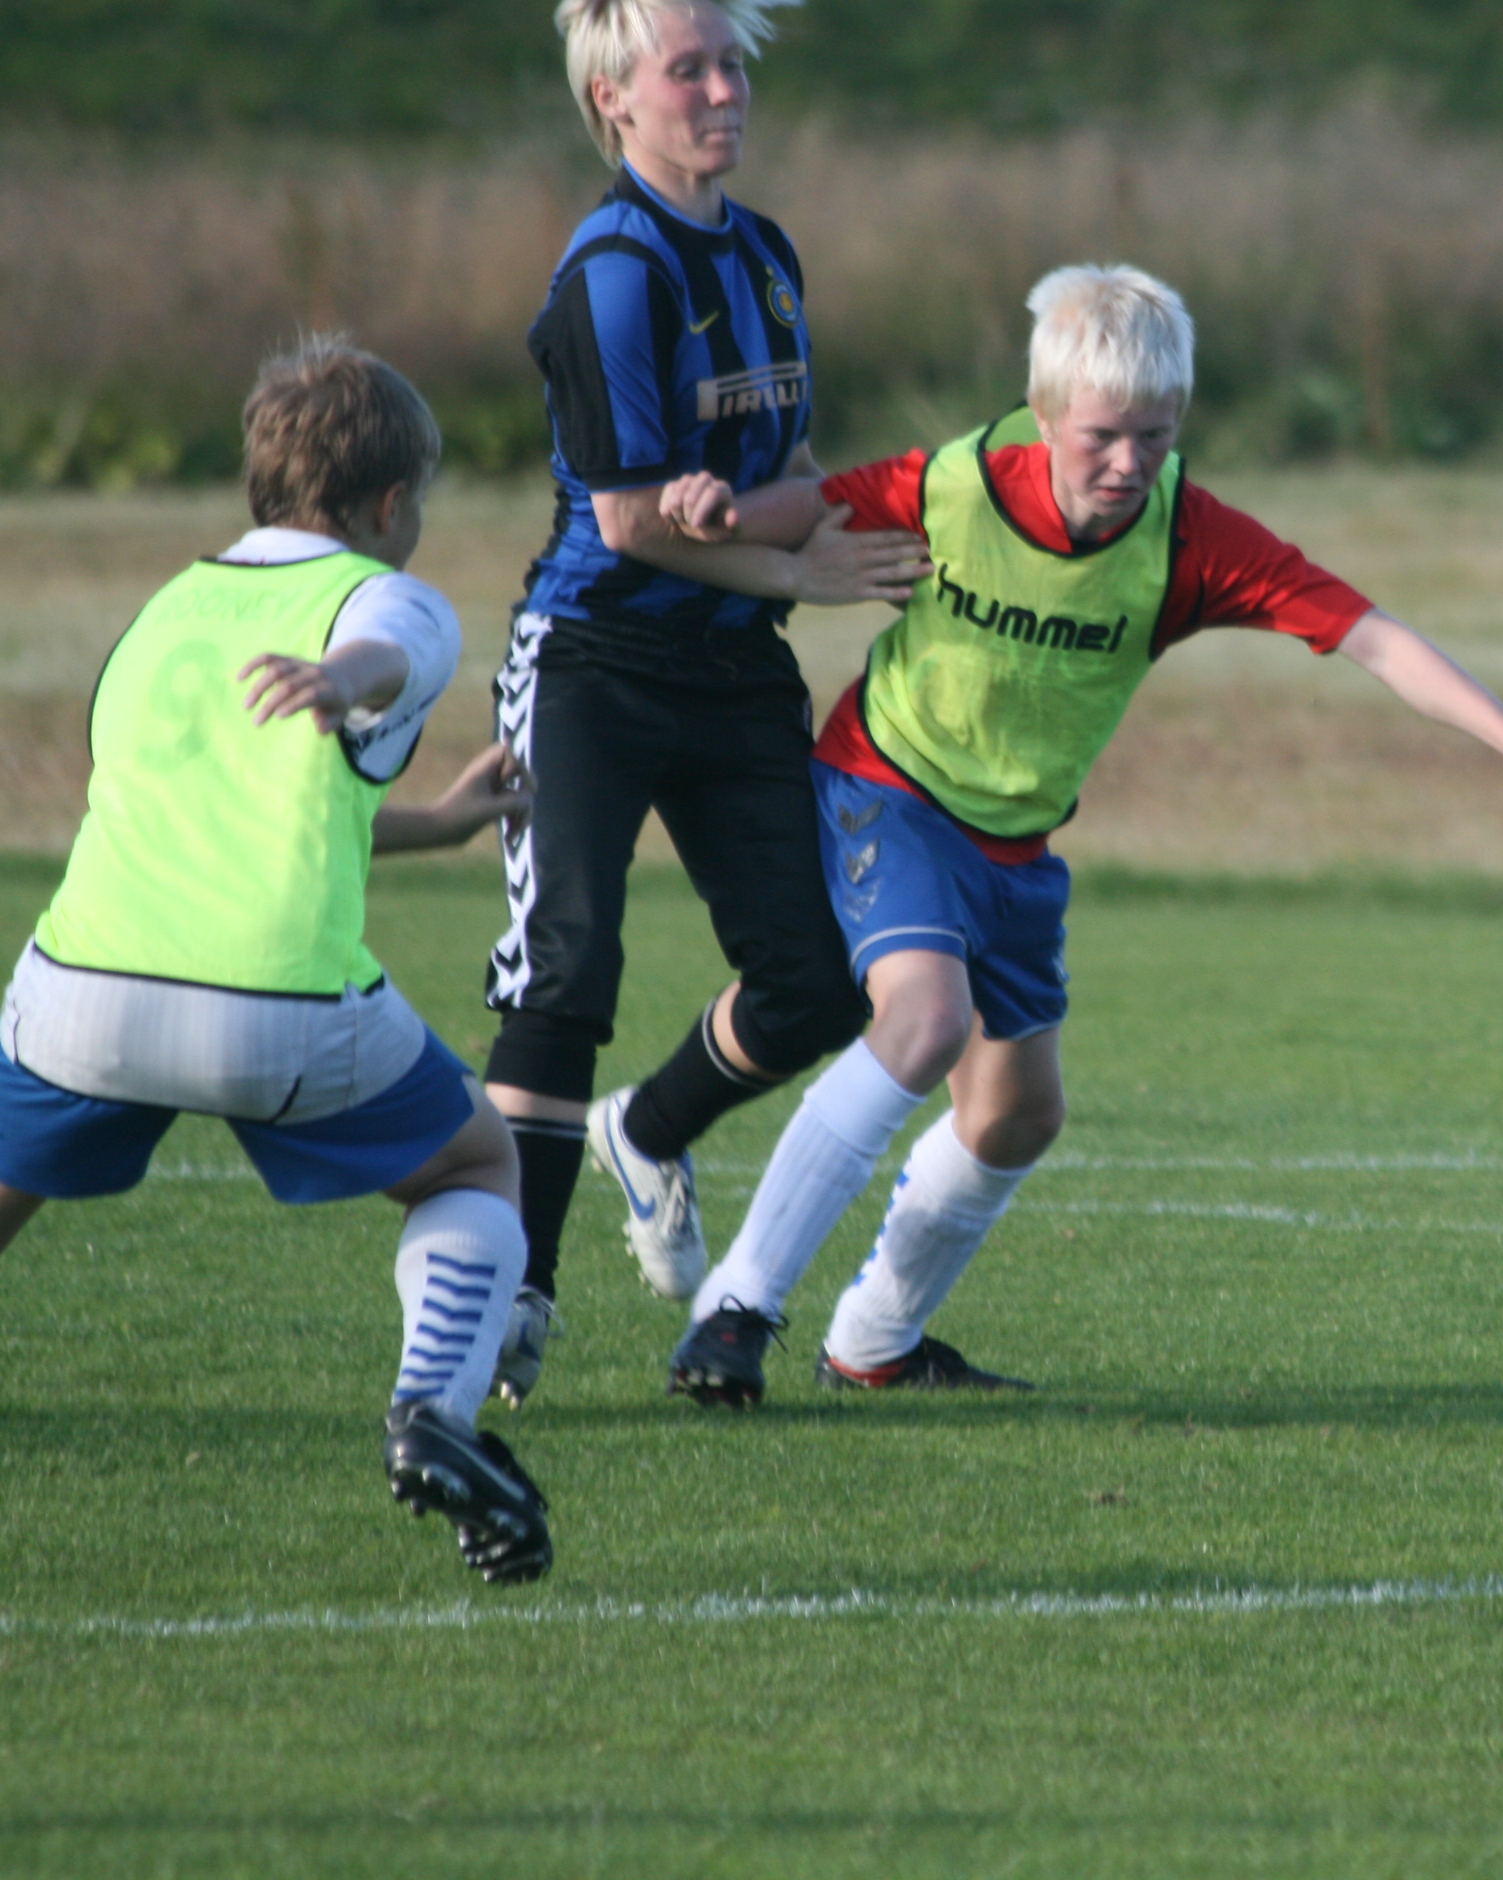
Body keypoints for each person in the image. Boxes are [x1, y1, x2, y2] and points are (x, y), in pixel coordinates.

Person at [642, 263, 1503, 1405]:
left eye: (1155, 434)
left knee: (1017, 1115)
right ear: (1044, 416)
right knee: (924, 1019)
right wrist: (721, 511)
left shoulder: (1189, 536)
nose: (1128, 462)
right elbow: (806, 509)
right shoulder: (954, 485)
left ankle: (874, 1342)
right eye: (1101, 436)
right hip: (886, 791)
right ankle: (736, 1310)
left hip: (1016, 844)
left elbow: (1369, 635)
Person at [0, 336, 554, 1581]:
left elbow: (219, 810)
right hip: (274, 1010)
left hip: (86, 991)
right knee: (475, 1160)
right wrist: (342, 676)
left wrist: (435, 820)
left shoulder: (163, 609)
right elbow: (387, 649)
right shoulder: (388, 595)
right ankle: (432, 1413)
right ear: (392, 502)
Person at [482, 0, 930, 1404]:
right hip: (595, 662)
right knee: (566, 969)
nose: (725, 92)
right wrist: (793, 560)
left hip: (733, 663)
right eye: (691, 70)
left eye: (734, 66)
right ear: (614, 99)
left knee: (816, 979)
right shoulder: (612, 273)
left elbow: (787, 471)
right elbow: (627, 526)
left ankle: (650, 1130)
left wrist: (756, 521)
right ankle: (515, 1292)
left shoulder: (768, 254)